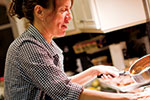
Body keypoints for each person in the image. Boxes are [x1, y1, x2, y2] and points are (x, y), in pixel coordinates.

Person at [4, 0, 149, 100]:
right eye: (63, 10)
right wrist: (125, 97)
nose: (70, 17)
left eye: (69, 9)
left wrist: (95, 70)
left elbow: (58, 86)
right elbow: (66, 93)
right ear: (39, 11)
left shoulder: (46, 44)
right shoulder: (29, 48)